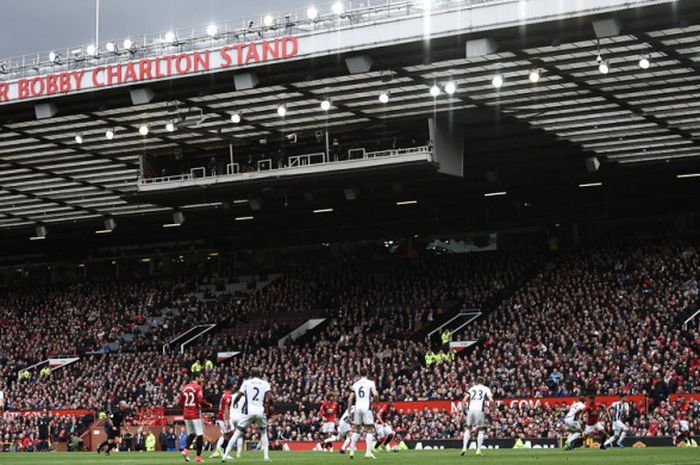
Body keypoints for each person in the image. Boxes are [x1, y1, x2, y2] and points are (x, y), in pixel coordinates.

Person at [223, 367, 272, 462]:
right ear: (260, 374)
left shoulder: (246, 382)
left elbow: (239, 395)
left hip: (249, 411)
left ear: (251, 374)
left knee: (237, 433)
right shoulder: (265, 383)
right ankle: (266, 457)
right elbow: (270, 397)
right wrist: (272, 406)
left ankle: (225, 455)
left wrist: (235, 402)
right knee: (263, 433)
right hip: (259, 411)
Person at [180, 372, 212, 463]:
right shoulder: (198, 387)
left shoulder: (185, 387)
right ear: (196, 378)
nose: (202, 379)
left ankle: (185, 450)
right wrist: (208, 404)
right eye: (201, 377)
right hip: (195, 414)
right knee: (200, 435)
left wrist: (185, 409)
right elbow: (200, 400)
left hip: (186, 414)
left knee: (192, 434)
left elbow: (180, 401)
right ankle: (198, 457)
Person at [348, 367, 379, 460]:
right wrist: (376, 404)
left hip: (357, 407)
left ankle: (352, 451)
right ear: (367, 373)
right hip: (366, 407)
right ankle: (368, 452)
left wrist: (349, 411)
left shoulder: (355, 384)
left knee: (356, 430)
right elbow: (376, 394)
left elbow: (350, 399)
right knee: (369, 429)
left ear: (359, 374)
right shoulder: (370, 383)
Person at [460, 377, 493, 456]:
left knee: (468, 428)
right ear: (483, 382)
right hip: (479, 411)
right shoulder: (486, 388)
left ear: (476, 382)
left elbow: (464, 400)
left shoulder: (472, 388)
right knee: (481, 430)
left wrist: (462, 411)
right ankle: (478, 450)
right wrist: (492, 408)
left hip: (470, 410)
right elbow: (491, 400)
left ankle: (464, 447)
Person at [210, 382, 234, 459]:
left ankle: (220, 451)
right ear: (231, 387)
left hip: (221, 416)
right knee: (230, 432)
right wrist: (227, 420)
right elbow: (226, 408)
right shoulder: (228, 396)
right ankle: (221, 451)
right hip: (223, 417)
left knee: (226, 434)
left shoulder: (224, 394)